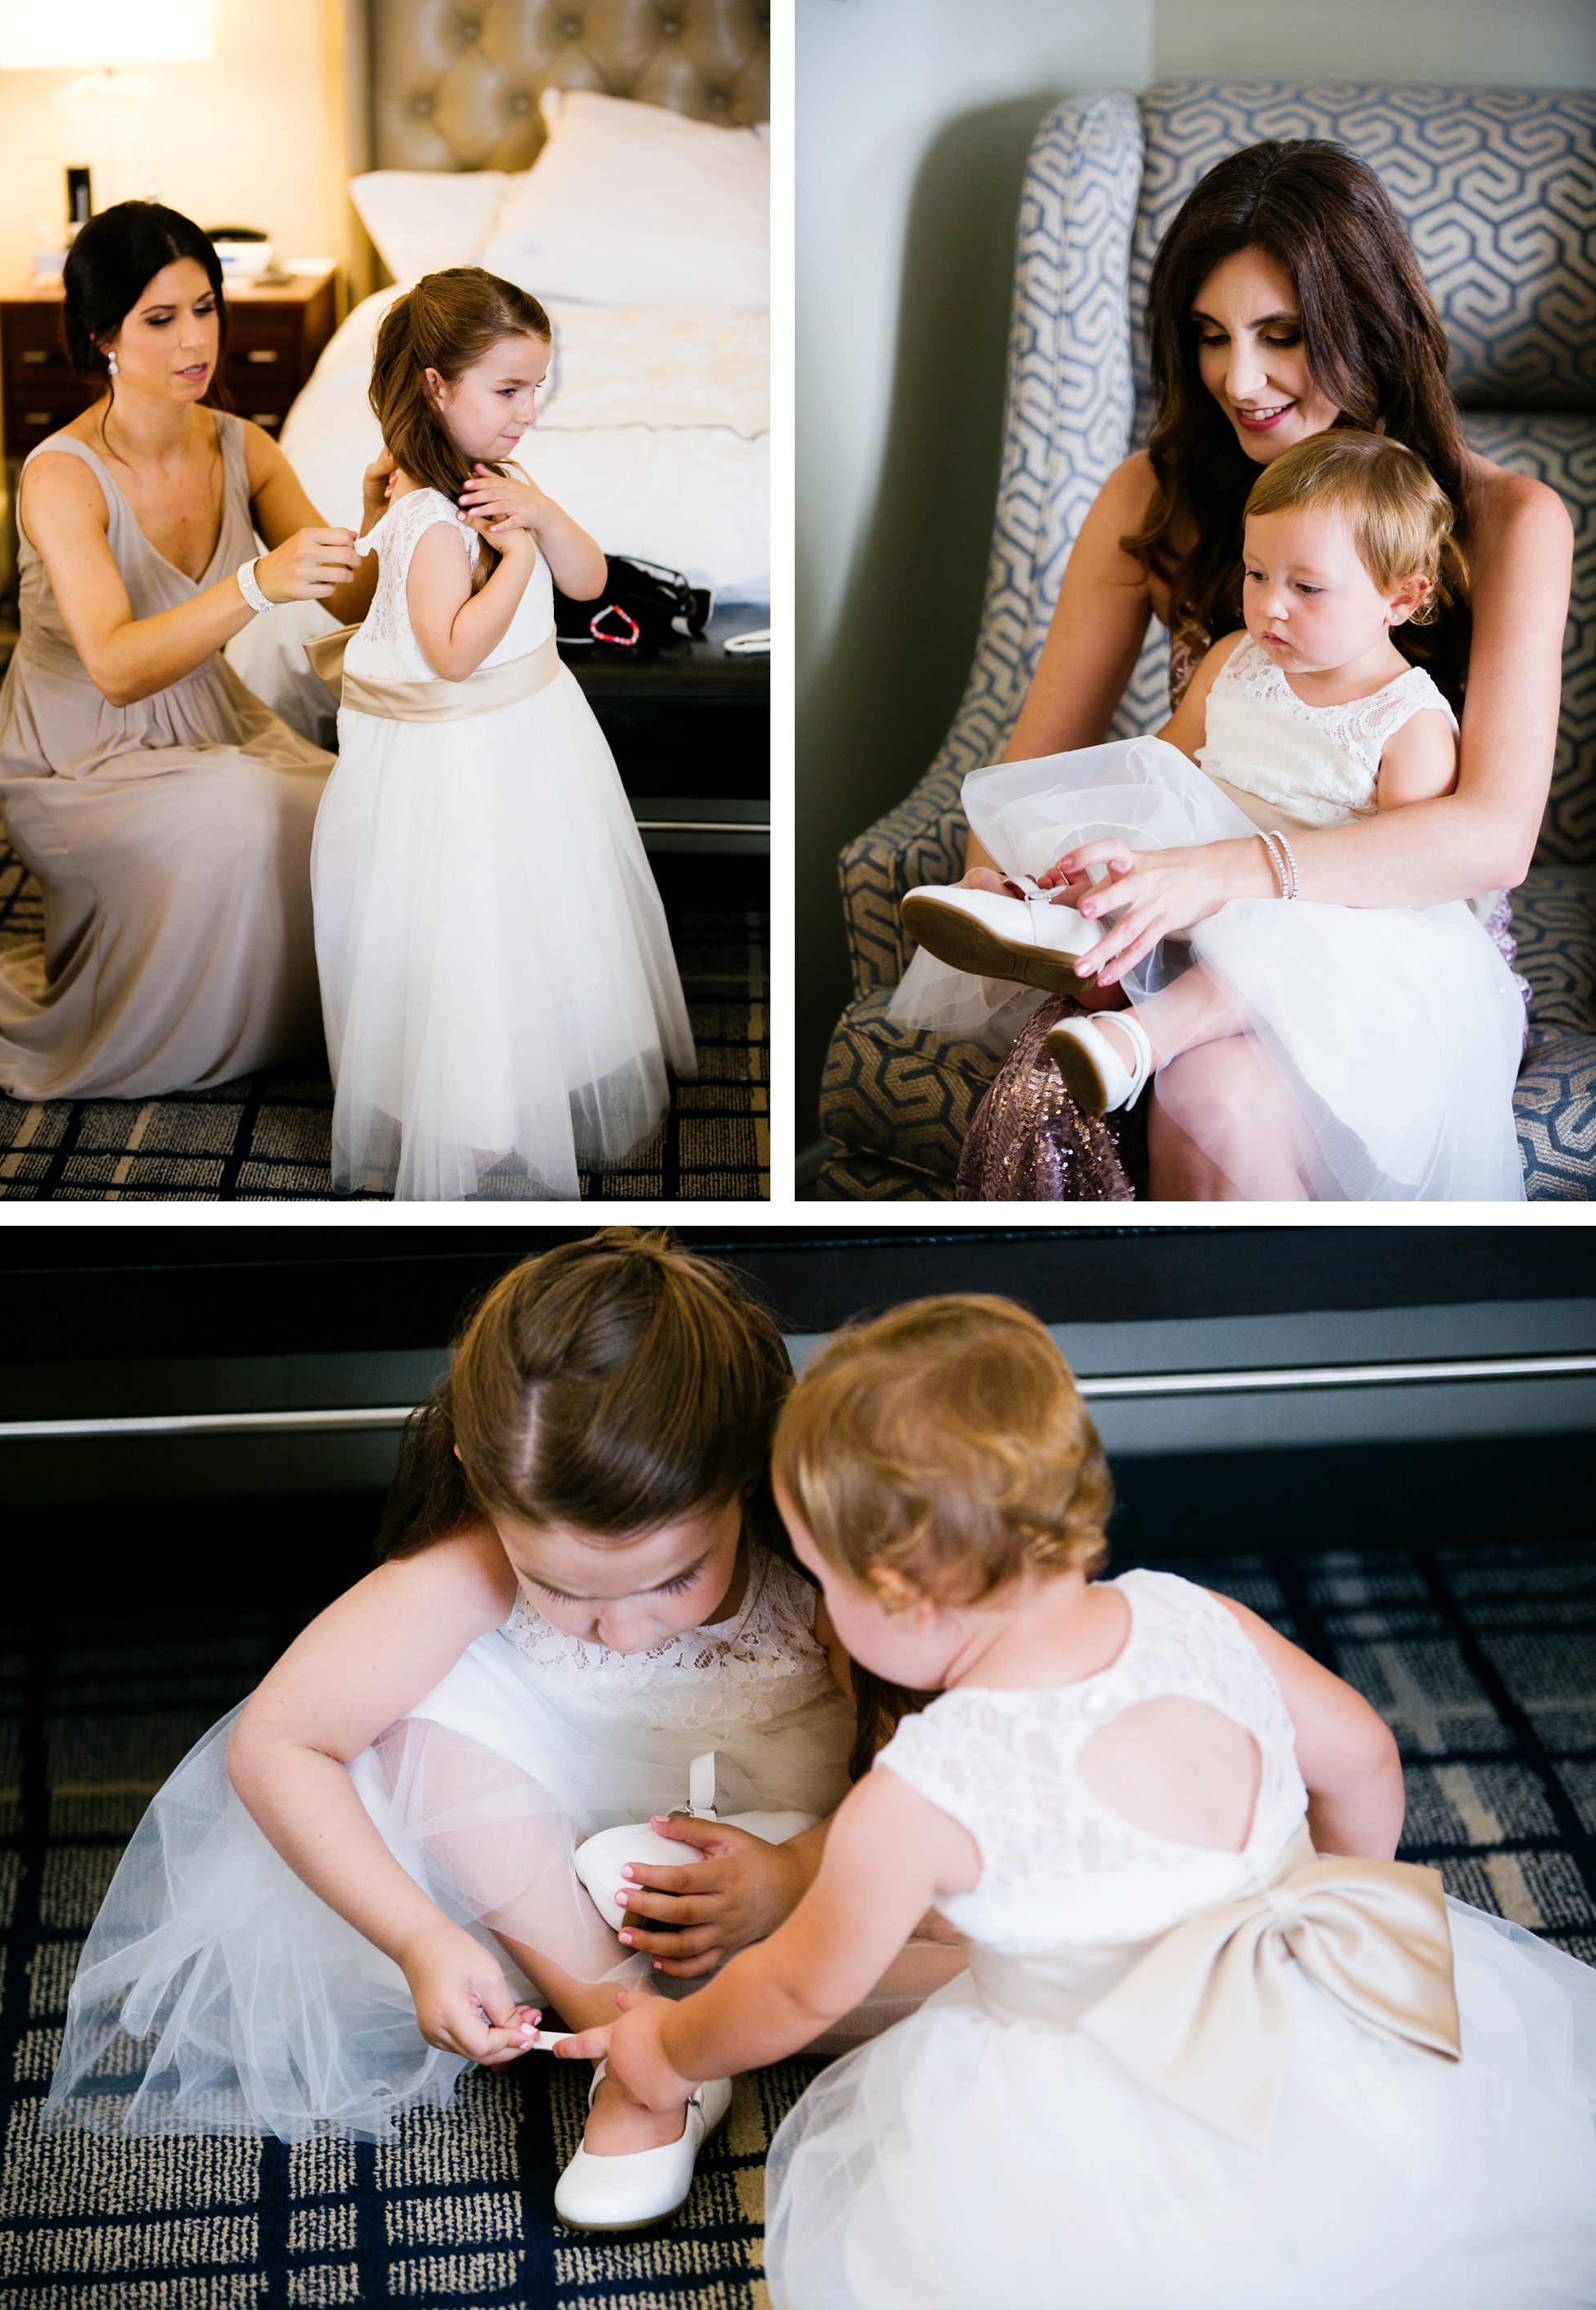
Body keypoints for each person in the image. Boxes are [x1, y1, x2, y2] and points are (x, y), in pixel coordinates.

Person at [562, 1295, 1596, 2308]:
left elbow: (796, 1991)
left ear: (898, 1595)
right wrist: (1335, 1904)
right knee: (1420, 2221)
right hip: (1325, 2028)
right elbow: (1365, 1753)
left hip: (1096, 2132)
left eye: (826, 1585)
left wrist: (662, 2050)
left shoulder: (925, 1787)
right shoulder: (1202, 1614)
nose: (823, 1612)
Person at [43, 1233, 968, 2231]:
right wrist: (421, 1938)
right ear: (477, 1481)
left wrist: (792, 1874)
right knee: (426, 1742)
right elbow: (278, 1743)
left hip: (816, 1818)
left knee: (999, 1940)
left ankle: (741, 1996)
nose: (623, 1627)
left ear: (746, 1473)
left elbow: (954, 1759)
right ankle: (636, 2044)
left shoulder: (828, 1553)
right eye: (563, 1588)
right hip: (557, 1848)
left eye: (672, 1578)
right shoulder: (477, 1552)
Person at [886, 140, 1572, 1201]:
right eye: (1209, 337)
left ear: (1370, 326)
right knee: (1063, 1100)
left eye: (1281, 336)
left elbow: (1491, 839)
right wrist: (1015, 867)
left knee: (1220, 1098)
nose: (1236, 381)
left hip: (1394, 940)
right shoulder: (1151, 495)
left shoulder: (1510, 521)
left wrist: (1221, 872)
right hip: (1178, 907)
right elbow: (1054, 754)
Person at [900, 433, 1526, 1198]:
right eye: (1258, 574)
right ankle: (1056, 916)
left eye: (1308, 588)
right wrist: (1097, 849)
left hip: (1329, 925)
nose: (1270, 607)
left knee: (1276, 934)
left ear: (1400, 597)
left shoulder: (1410, 724)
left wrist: (1244, 886)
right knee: (1123, 842)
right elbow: (1159, 770)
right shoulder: (1235, 662)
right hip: (1208, 885)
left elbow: (1408, 882)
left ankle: (1136, 1034)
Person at [0, 202, 388, 1100]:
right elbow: (115, 669)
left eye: (205, 308)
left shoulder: (245, 446)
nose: (194, 339)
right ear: (102, 336)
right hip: (75, 757)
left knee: (359, 802)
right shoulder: (60, 476)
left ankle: (297, 1018)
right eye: (160, 319)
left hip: (205, 723)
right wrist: (252, 586)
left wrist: (380, 526)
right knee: (245, 807)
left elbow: (347, 588)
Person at [309, 268, 695, 1200]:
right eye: (508, 389)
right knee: (460, 932)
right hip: (456, 760)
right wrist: (515, 558)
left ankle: (526, 1078)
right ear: (437, 386)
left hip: (527, 739)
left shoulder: (499, 479)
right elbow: (448, 651)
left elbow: (593, 582)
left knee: (538, 916)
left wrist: (544, 517)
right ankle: (468, 1118)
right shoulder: (432, 518)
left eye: (536, 388)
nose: (528, 411)